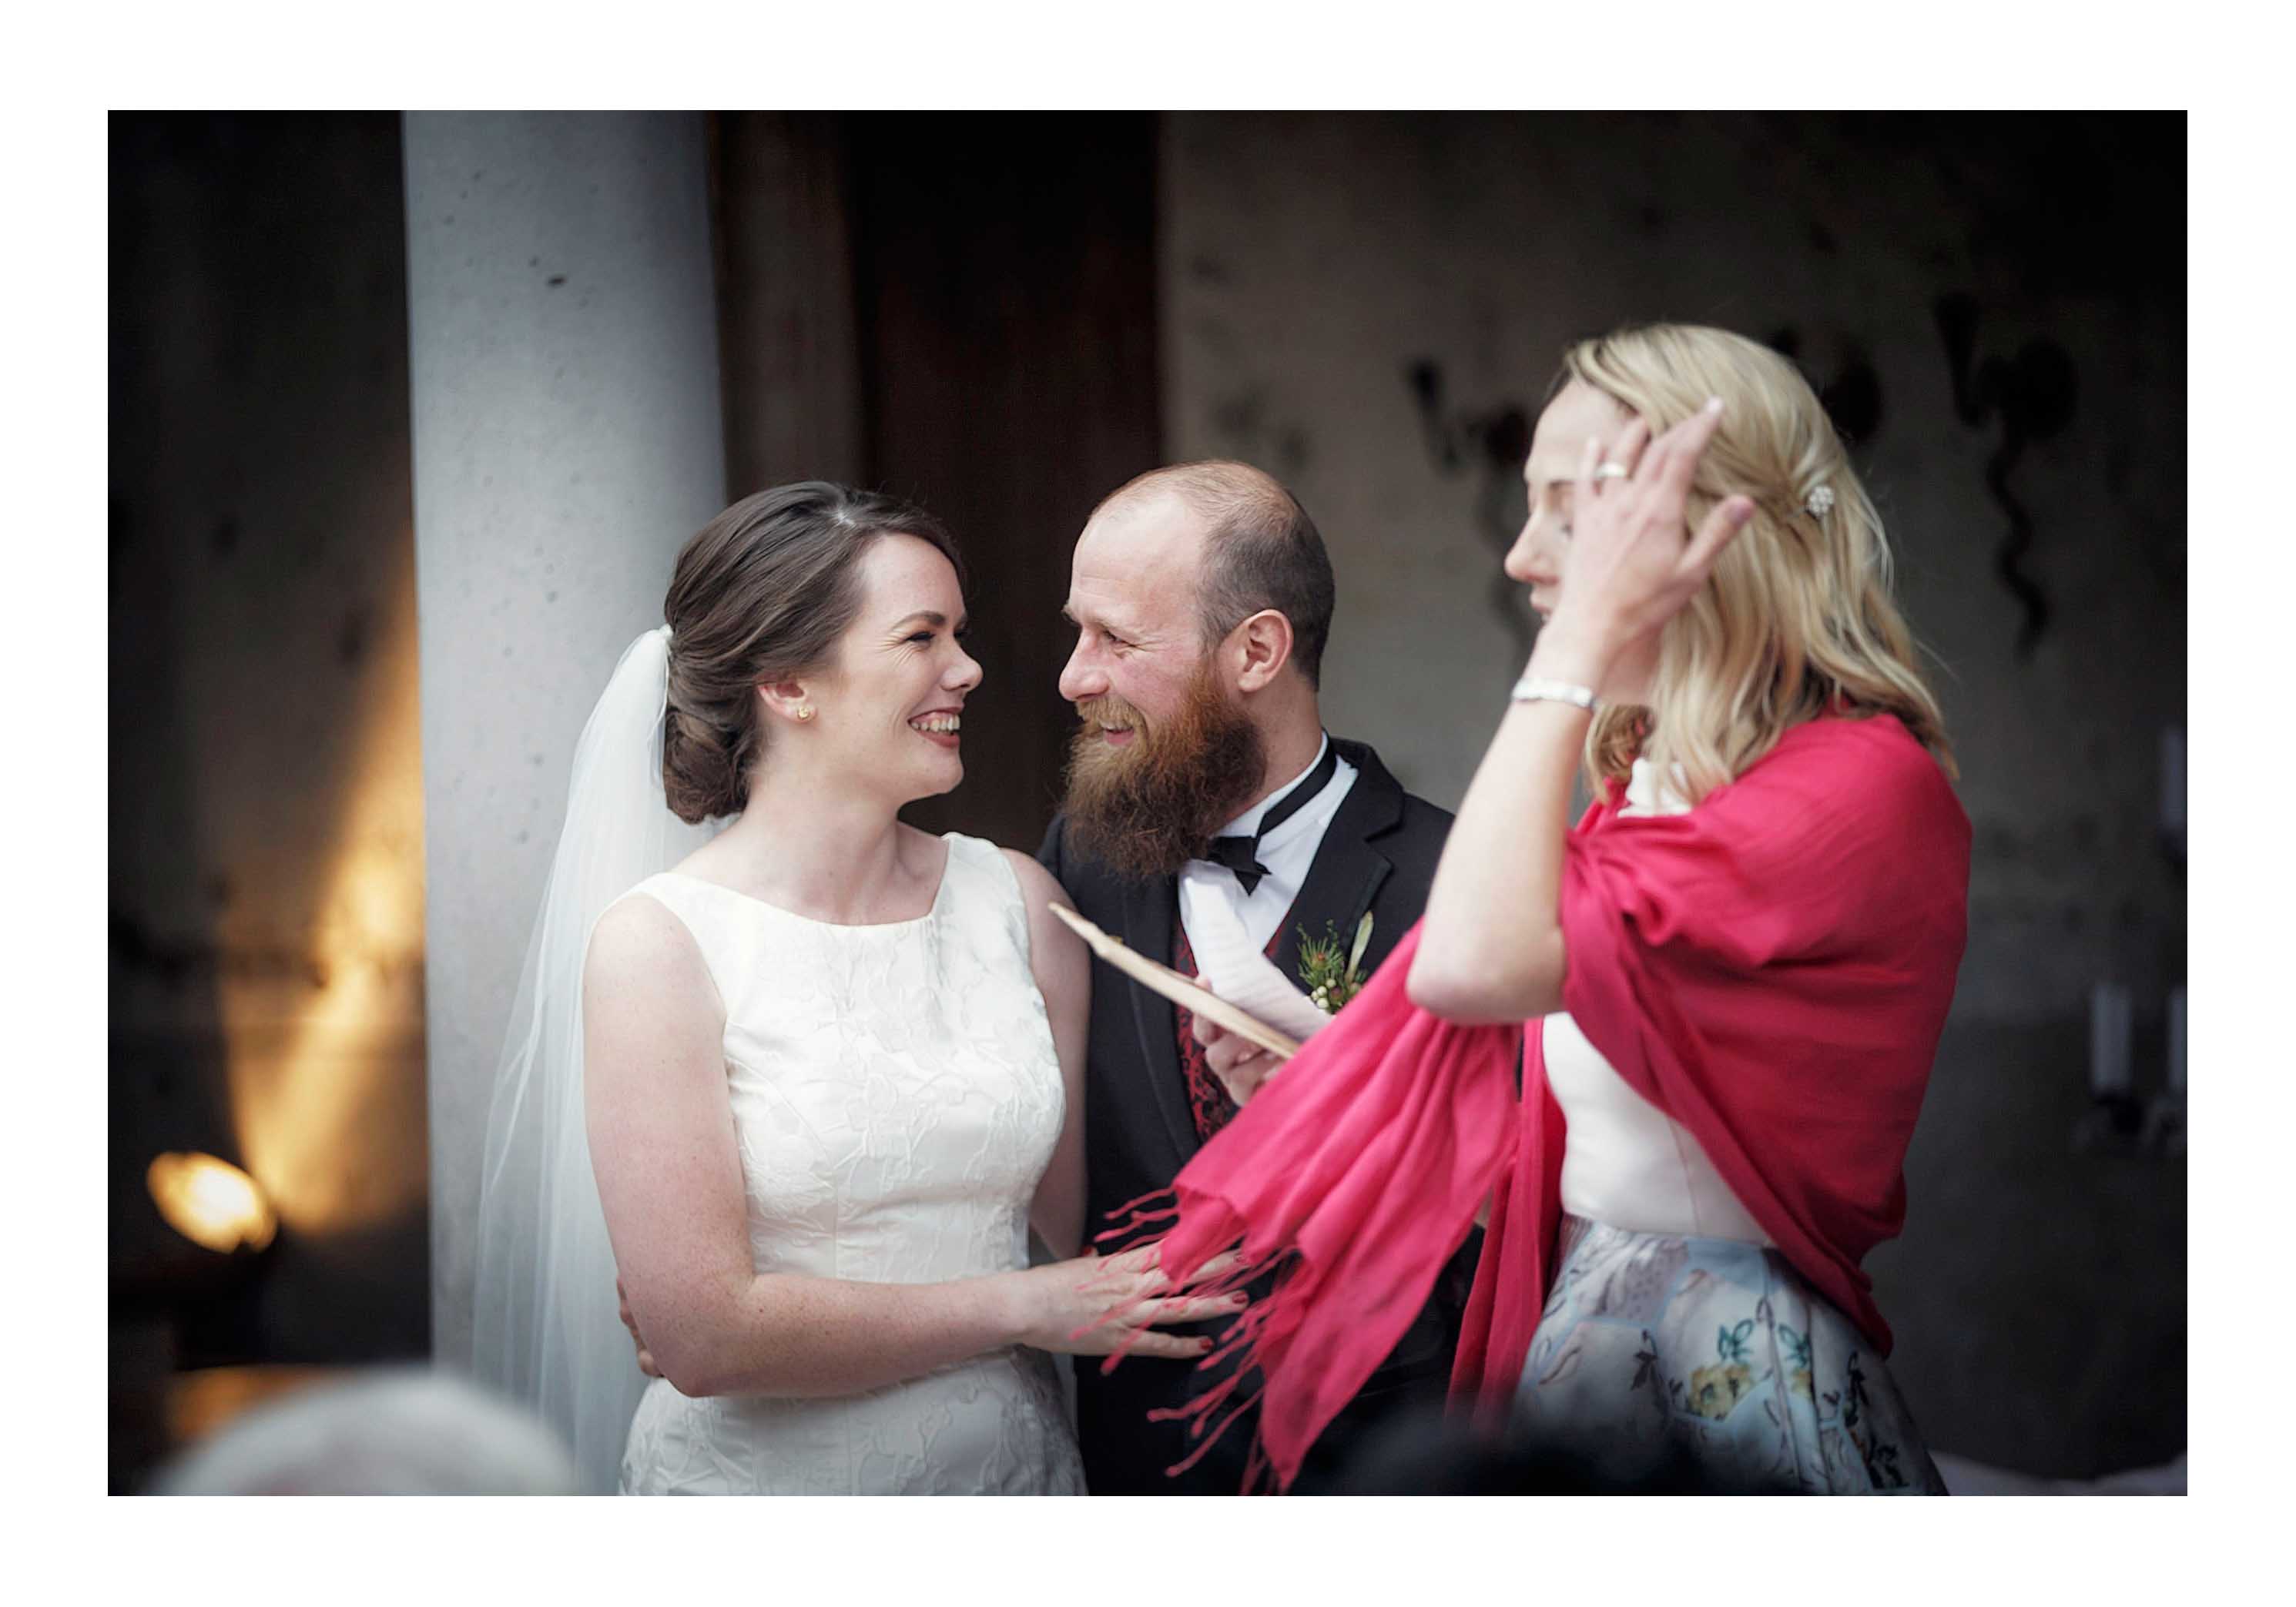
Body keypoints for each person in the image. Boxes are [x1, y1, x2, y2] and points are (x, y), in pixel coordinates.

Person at [1181, 324, 1969, 1495]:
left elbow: (1467, 964)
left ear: (1705, 529)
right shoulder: (1649, 783)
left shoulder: (1854, 786)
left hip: (1727, 1371)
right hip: (1594, 1331)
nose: (1521, 558)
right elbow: (1582, 1145)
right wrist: (1313, 1066)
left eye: (1567, 514)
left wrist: (1579, 645)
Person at [472, 483, 1234, 1495]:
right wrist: (1021, 1309)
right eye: (920, 637)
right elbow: (702, 1341)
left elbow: (1096, 1229)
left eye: (957, 634)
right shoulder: (660, 947)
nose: (966, 669)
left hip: (1011, 1484)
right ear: (789, 683)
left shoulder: (1014, 902)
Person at [1035, 460, 1476, 1495]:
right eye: (1076, 631)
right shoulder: (1075, 859)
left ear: (1258, 651)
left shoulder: (1456, 885)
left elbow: (1518, 1207)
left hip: (1386, 1469)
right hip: (1138, 1472)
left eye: (1116, 639)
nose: (1072, 675)